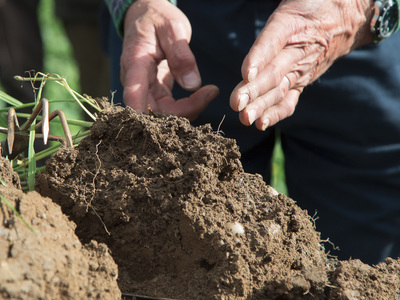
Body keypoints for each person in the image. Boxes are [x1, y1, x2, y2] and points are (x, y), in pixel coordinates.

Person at [105, 0, 400, 265]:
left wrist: (357, 8)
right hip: (182, 34)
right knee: (176, 252)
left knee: (364, 264)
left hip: (355, 40)